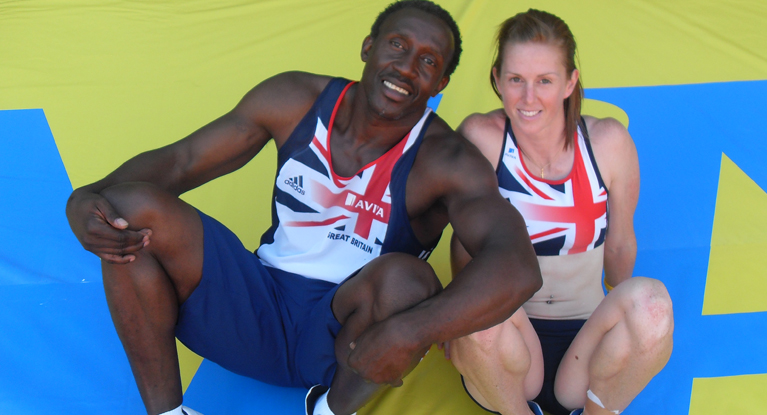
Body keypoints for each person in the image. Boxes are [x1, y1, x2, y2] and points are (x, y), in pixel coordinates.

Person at [64, 2, 543, 415]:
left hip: (345, 347)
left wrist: (410, 331)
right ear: (368, 46)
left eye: (427, 61)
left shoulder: (447, 160)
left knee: (408, 281)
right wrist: (85, 199)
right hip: (253, 308)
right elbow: (182, 160)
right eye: (397, 46)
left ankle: (330, 411)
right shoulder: (294, 99)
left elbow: (517, 268)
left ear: (440, 80)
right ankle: (168, 411)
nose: (405, 68)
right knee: (128, 210)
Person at [448, 9, 674, 415]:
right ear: (497, 79)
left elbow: (620, 245)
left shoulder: (609, 143)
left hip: (586, 345)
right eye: (516, 80)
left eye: (545, 81)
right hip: (510, 343)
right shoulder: (482, 138)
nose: (529, 97)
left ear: (570, 82)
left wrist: (626, 327)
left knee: (652, 304)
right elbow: (463, 248)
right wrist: (463, 336)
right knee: (474, 313)